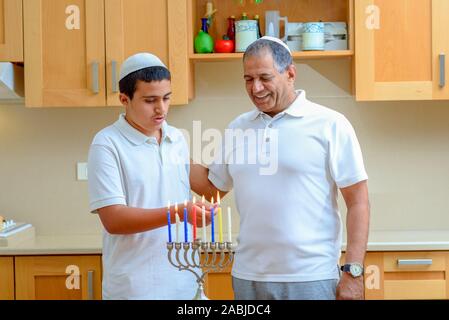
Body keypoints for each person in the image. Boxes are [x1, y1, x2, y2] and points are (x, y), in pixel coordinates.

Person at [190, 37, 370, 300]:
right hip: (247, 277)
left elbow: (359, 202)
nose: (256, 88)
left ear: (290, 74)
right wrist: (169, 151)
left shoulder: (330, 124)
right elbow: (212, 188)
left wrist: (353, 272)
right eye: (248, 79)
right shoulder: (238, 127)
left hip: (311, 277)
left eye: (265, 77)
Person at [87, 53, 212, 300]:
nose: (161, 109)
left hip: (186, 283)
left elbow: (209, 185)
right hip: (136, 289)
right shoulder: (107, 144)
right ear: (125, 99)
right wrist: (180, 212)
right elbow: (114, 219)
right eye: (150, 100)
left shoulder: (175, 137)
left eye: (166, 98)